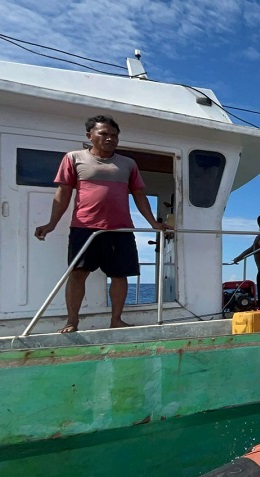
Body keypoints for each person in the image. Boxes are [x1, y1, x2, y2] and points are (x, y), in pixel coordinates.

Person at [34, 115, 170, 333]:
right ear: (90, 136)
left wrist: (153, 222)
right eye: (104, 133)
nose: (110, 138)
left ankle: (116, 320)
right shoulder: (73, 158)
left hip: (121, 229)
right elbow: (63, 193)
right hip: (84, 228)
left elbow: (139, 195)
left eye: (114, 135)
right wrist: (51, 224)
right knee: (78, 274)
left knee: (120, 275)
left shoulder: (128, 164)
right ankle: (72, 322)